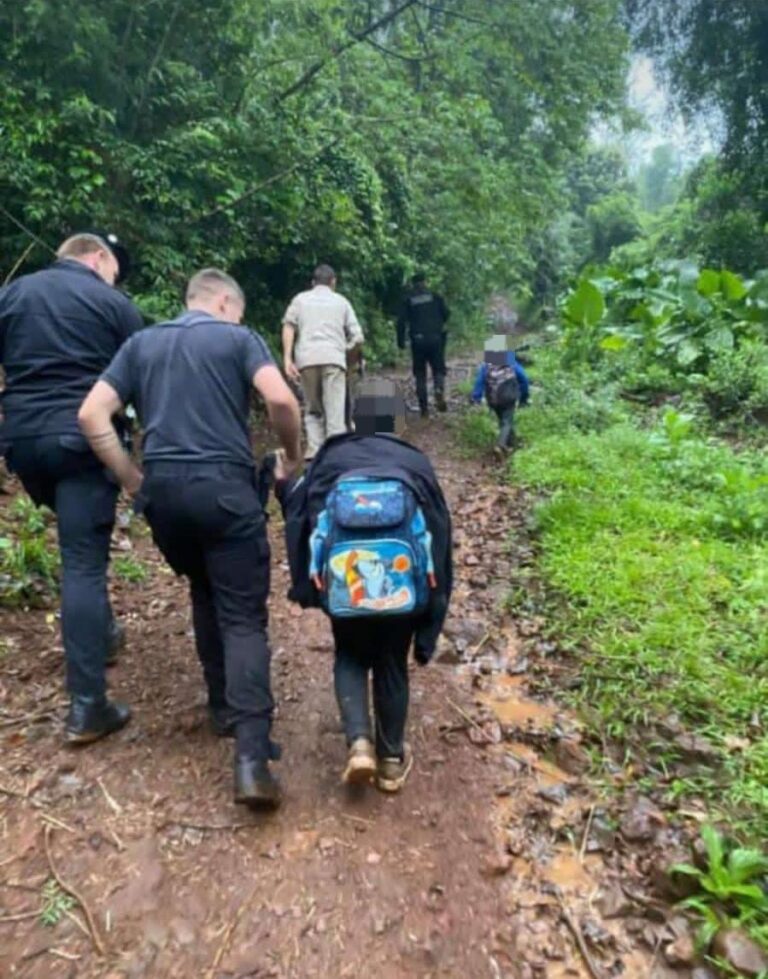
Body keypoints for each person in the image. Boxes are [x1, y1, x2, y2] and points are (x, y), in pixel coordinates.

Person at [78, 269, 302, 809]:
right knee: (243, 615)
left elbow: (91, 414)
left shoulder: (141, 343)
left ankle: (223, 707)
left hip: (166, 498)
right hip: (224, 491)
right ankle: (251, 758)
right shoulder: (237, 339)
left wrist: (133, 479)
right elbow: (282, 402)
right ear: (225, 301)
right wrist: (291, 458)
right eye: (238, 313)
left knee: (205, 590)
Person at [0, 231, 144, 744]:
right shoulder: (113, 303)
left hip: (22, 442)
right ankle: (87, 706)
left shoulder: (12, 294)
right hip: (84, 442)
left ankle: (102, 635)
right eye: (114, 268)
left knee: (75, 542)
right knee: (82, 559)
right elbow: (142, 382)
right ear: (97, 258)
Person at [276, 378, 452, 793]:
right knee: (392, 662)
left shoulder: (333, 457)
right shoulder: (415, 462)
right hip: (402, 591)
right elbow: (440, 535)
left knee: (350, 654)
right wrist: (434, 610)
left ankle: (358, 743)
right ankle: (390, 763)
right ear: (398, 421)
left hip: (346, 587)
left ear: (354, 418)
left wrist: (309, 586)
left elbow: (302, 516)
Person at [282, 264, 364, 460]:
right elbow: (358, 337)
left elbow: (288, 326)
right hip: (334, 360)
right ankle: (335, 456)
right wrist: (347, 355)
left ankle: (314, 452)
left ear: (313, 283)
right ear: (333, 282)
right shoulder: (341, 302)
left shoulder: (300, 300)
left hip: (307, 360)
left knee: (313, 410)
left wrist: (287, 358)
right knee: (335, 413)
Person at [397, 273, 450, 416]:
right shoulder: (436, 296)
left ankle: (424, 409)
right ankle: (439, 388)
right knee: (438, 368)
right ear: (425, 282)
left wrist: (400, 341)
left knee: (420, 373)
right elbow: (446, 314)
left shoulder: (408, 300)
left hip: (418, 340)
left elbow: (401, 321)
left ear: (413, 284)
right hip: (436, 338)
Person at [470, 335, 530, 454]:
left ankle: (512, 444)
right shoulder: (512, 364)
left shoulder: (486, 366)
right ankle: (500, 445)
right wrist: (524, 397)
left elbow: (479, 382)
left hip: (493, 399)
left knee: (504, 421)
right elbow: (524, 379)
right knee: (507, 421)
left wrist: (476, 397)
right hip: (509, 397)